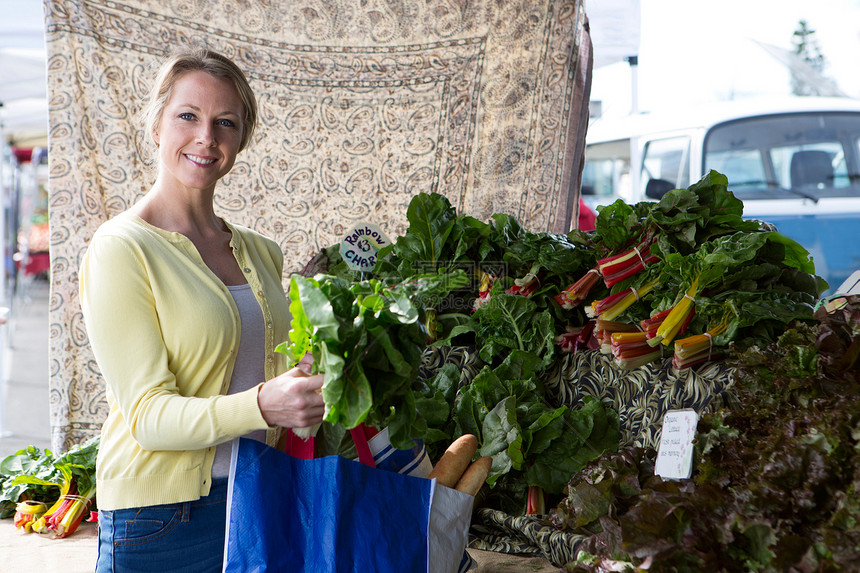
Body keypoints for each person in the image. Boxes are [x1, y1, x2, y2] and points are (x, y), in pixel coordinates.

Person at [79, 47, 326, 572]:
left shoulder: (262, 252)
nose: (206, 137)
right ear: (156, 126)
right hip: (164, 521)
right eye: (188, 116)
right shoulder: (121, 249)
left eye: (225, 123)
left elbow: (266, 371)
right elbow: (147, 417)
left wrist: (312, 384)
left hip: (261, 500)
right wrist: (263, 404)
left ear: (240, 139)